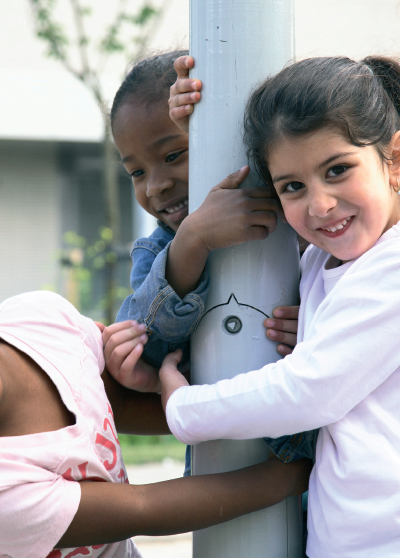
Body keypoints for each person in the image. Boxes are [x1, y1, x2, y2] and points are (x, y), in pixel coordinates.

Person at [0, 161, 310, 558]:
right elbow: (144, 509)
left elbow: (119, 405)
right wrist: (290, 473)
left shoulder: (41, 318)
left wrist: (246, 410)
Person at [126, 54, 400, 557]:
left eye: (338, 170)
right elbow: (249, 198)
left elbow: (310, 390)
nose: (319, 204)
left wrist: (183, 408)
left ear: (395, 159)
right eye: (293, 186)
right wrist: (200, 129)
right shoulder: (322, 256)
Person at [108, 50, 315, 471]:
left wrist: (316, 321)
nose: (156, 186)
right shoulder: (156, 252)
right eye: (136, 172)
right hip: (223, 466)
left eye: (172, 155)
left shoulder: (301, 215)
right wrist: (191, 241)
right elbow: (151, 347)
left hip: (321, 467)